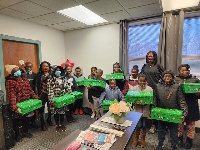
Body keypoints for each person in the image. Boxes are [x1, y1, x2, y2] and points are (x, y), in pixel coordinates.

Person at [154, 70, 188, 150]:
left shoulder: (177, 86)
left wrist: (184, 113)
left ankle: (174, 146)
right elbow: (155, 99)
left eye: (170, 76)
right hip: (161, 113)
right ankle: (160, 144)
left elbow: (181, 100)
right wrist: (153, 109)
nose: (167, 77)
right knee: (161, 130)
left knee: (173, 131)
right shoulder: (158, 86)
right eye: (166, 76)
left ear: (172, 77)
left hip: (173, 113)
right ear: (162, 77)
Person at [5, 65, 38, 142]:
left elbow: (29, 89)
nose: (18, 71)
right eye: (15, 71)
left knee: (27, 118)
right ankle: (17, 135)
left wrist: (35, 96)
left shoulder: (24, 77)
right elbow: (11, 94)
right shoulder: (10, 81)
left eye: (18, 70)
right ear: (12, 73)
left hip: (27, 102)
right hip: (18, 103)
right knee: (17, 120)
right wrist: (14, 107)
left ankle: (25, 132)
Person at [175, 64, 200, 149]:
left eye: (185, 70)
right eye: (181, 70)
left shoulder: (195, 80)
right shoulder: (175, 79)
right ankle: (179, 139)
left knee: (190, 125)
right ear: (179, 71)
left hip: (191, 105)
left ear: (188, 71)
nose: (183, 72)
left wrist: (198, 94)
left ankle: (189, 141)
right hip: (179, 105)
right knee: (179, 124)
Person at [141, 51, 164, 133]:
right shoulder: (145, 66)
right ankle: (148, 125)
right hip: (146, 90)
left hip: (157, 90)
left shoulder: (158, 66)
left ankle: (155, 125)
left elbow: (164, 76)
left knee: (155, 108)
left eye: (151, 56)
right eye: (148, 56)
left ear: (154, 57)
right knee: (147, 108)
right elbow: (141, 76)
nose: (149, 58)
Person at [130, 74, 153, 148]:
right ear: (138, 80)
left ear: (146, 81)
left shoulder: (149, 89)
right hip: (137, 110)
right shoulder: (134, 88)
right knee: (138, 125)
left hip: (146, 111)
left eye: (144, 81)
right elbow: (131, 99)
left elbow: (152, 100)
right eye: (141, 80)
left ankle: (143, 138)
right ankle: (136, 138)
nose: (142, 82)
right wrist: (135, 102)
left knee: (144, 125)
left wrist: (147, 102)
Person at [47, 66, 68, 132]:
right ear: (54, 71)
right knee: (56, 113)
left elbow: (67, 87)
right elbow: (50, 91)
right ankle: (57, 125)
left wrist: (71, 95)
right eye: (56, 70)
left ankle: (62, 124)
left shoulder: (64, 78)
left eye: (59, 70)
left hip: (63, 98)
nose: (58, 71)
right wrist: (51, 100)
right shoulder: (50, 80)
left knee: (62, 112)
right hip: (55, 98)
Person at [36, 61, 53, 131]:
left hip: (50, 94)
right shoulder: (38, 75)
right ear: (41, 67)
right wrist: (36, 94)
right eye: (44, 66)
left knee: (50, 108)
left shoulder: (52, 74)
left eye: (47, 66)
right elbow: (36, 85)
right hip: (42, 94)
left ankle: (49, 119)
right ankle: (42, 123)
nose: (45, 68)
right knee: (41, 109)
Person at [22, 62, 38, 128]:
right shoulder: (22, 74)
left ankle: (33, 122)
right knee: (26, 110)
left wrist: (36, 94)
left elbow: (36, 85)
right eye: (27, 67)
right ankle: (25, 125)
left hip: (32, 95)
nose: (29, 68)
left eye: (30, 67)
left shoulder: (34, 75)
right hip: (24, 95)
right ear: (24, 67)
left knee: (33, 109)